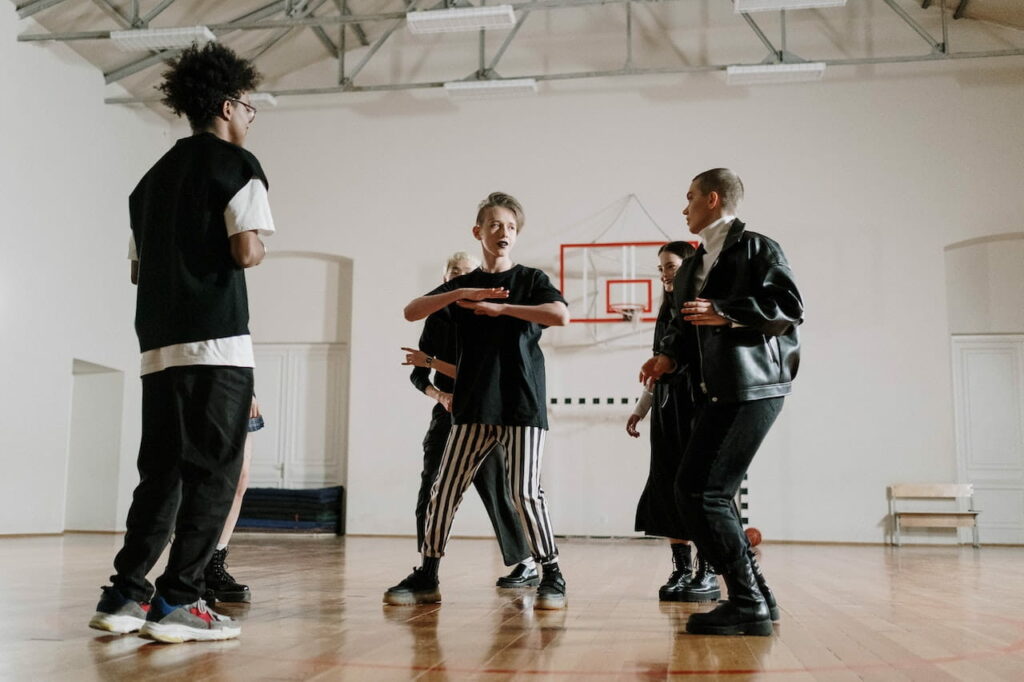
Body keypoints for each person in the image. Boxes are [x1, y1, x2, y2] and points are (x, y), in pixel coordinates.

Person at [88, 42, 274, 643]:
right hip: (218, 345)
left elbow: (139, 273)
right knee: (214, 477)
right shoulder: (239, 166)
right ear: (226, 105)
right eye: (249, 107)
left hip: (158, 349)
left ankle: (124, 596)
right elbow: (246, 251)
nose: (250, 117)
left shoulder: (148, 184)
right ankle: (180, 601)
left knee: (160, 473)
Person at [385, 192, 571, 610]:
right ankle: (428, 573)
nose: (502, 232)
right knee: (444, 488)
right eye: (494, 225)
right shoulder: (459, 287)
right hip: (473, 405)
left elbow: (560, 316)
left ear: (516, 235)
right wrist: (457, 295)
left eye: (510, 227)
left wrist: (500, 310)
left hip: (522, 402)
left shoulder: (530, 279)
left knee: (524, 491)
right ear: (478, 232)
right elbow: (411, 311)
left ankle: (552, 572)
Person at [640, 168, 802, 636]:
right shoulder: (692, 263)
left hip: (755, 387)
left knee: (699, 492)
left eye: (689, 197)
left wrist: (726, 312)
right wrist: (667, 358)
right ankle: (758, 597)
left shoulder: (759, 248)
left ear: (713, 200)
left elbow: (790, 309)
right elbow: (685, 325)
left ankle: (748, 602)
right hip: (715, 392)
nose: (683, 206)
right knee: (706, 493)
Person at [401, 251, 538, 588]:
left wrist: (432, 361)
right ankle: (427, 567)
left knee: (499, 491)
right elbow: (419, 375)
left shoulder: (485, 317)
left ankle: (526, 564)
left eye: (463, 272)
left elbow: (476, 372)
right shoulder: (434, 319)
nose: (456, 277)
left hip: (485, 413)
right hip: (447, 415)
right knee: (431, 487)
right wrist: (441, 396)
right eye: (452, 271)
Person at [627, 241, 719, 603]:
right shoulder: (665, 312)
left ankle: (707, 570)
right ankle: (681, 568)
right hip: (667, 408)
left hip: (698, 407)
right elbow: (657, 368)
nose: (666, 274)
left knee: (698, 489)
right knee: (667, 489)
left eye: (672, 267)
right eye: (661, 268)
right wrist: (641, 408)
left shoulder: (699, 310)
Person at [202, 397, 264, 604]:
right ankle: (193, 563)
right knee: (202, 477)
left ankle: (214, 562)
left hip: (238, 383)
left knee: (240, 479)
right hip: (202, 382)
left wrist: (249, 390)